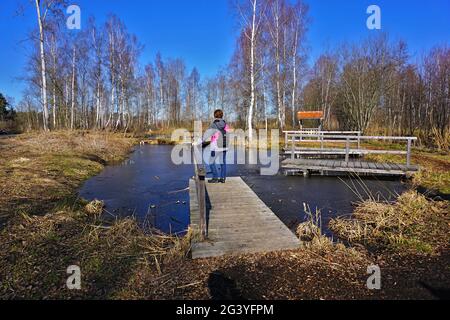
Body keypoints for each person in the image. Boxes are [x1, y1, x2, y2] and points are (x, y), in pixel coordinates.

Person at [207, 109, 230, 184]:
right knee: (223, 162)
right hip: (224, 145)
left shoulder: (214, 124)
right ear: (222, 115)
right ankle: (222, 178)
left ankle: (215, 178)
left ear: (215, 115)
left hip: (215, 146)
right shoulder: (225, 124)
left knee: (211, 162)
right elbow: (228, 135)